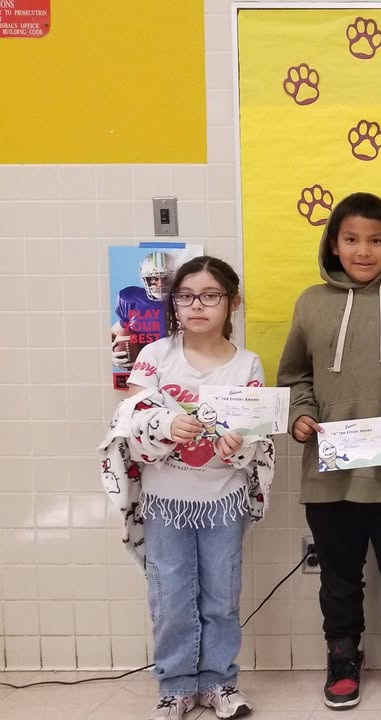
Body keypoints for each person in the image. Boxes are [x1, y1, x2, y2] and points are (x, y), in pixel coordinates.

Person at [276, 192, 381, 710]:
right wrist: (301, 415)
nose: (363, 251)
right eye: (351, 239)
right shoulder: (310, 302)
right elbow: (294, 374)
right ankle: (342, 657)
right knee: (339, 576)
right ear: (333, 243)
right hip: (329, 471)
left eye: (375, 240)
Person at [97, 256, 275, 720]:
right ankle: (175, 685)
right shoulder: (155, 356)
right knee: (171, 594)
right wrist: (163, 423)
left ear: (232, 303)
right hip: (165, 502)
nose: (197, 305)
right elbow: (128, 419)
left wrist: (241, 442)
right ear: (173, 303)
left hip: (223, 500)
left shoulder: (247, 363)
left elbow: (257, 434)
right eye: (186, 296)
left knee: (221, 594)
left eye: (211, 295)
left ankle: (218, 682)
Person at [111, 250, 175, 370]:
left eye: (165, 278)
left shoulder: (185, 301)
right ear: (145, 279)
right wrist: (110, 351)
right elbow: (115, 331)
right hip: (144, 370)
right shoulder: (131, 300)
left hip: (176, 368)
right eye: (154, 279)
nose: (160, 284)